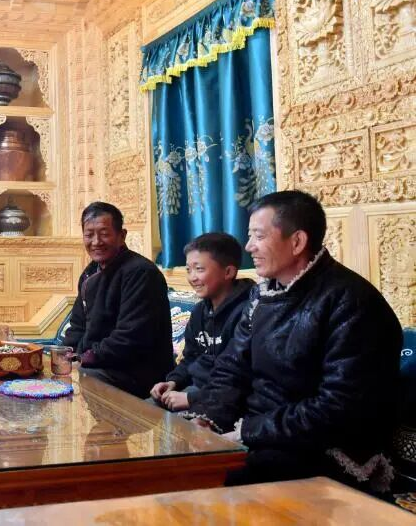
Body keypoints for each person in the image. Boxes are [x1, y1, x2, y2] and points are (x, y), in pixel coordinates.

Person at [187, 190, 402, 491]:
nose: (249, 246)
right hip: (261, 430)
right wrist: (208, 420)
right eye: (249, 236)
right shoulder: (261, 294)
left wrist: (247, 431)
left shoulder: (351, 302)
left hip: (324, 446)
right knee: (180, 455)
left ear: (297, 242)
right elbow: (232, 367)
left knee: (209, 477)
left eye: (259, 236)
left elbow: (338, 408)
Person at [62, 202, 174, 398]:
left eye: (104, 234)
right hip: (98, 363)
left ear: (122, 236)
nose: (96, 242)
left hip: (135, 371)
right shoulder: (90, 273)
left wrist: (85, 358)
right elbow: (78, 326)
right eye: (89, 235)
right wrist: (65, 355)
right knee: (54, 372)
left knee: (82, 378)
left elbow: (130, 338)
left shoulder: (141, 273)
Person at [149, 232, 254, 411]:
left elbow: (241, 378)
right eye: (188, 270)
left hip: (226, 401)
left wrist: (192, 399)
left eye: (199, 269)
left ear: (228, 272)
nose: (192, 277)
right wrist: (173, 381)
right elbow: (190, 358)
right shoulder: (199, 312)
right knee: (140, 412)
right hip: (196, 391)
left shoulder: (248, 312)